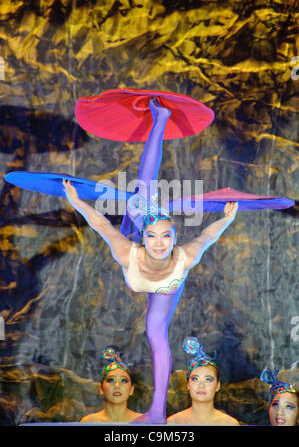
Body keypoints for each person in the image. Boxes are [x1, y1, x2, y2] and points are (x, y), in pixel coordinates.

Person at [63, 97, 238, 423]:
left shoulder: (184, 257)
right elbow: (100, 223)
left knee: (155, 330)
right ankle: (160, 120)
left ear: (175, 238)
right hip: (136, 220)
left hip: (167, 284)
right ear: (144, 238)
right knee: (143, 191)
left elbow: (208, 235)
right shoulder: (127, 248)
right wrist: (76, 201)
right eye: (153, 237)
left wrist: (226, 219)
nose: (159, 245)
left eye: (166, 237)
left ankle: (157, 411)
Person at [167, 337, 239, 425]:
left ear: (217, 386)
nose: (201, 385)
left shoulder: (229, 423)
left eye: (208, 379)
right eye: (195, 379)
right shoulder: (174, 422)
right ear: (188, 385)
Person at [80, 347, 142, 423]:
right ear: (101, 389)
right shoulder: (89, 422)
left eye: (123, 380)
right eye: (111, 380)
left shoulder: (142, 422)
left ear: (131, 389)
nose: (117, 386)